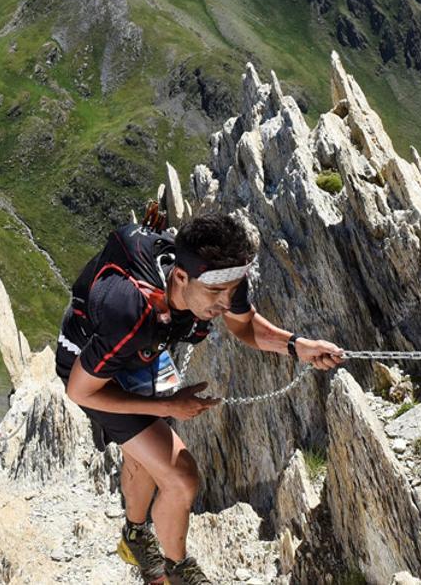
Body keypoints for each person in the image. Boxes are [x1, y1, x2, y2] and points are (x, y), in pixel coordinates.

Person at [55, 211, 345, 585]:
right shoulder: (130, 311)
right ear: (179, 276)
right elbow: (80, 390)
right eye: (214, 294)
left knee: (145, 453)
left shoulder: (221, 276)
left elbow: (244, 325)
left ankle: (135, 536)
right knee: (181, 475)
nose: (225, 303)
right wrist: (166, 407)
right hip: (91, 368)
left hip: (140, 351)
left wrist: (296, 346)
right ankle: (176, 570)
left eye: (231, 290)